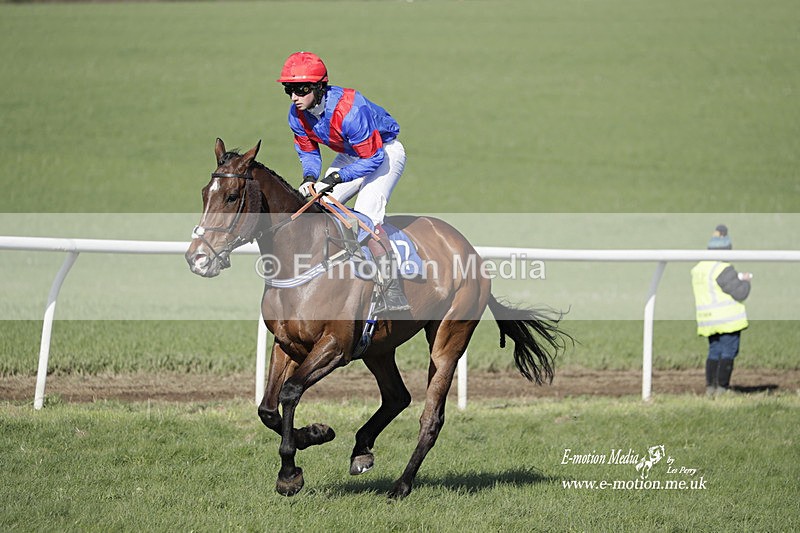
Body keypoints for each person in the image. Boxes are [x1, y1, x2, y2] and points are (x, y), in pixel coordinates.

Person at [276, 51, 410, 312]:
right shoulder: (297, 114)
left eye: (300, 89)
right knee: (320, 205)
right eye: (289, 90)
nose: (294, 97)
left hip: (383, 153)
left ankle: (393, 289)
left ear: (318, 87)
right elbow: (308, 151)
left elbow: (373, 159)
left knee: (366, 216)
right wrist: (311, 177)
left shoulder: (350, 111)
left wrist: (336, 177)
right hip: (351, 154)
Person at [690, 225, 753, 396]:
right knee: (728, 352)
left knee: (714, 352)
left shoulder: (700, 268)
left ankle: (710, 388)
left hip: (708, 320)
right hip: (728, 320)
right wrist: (746, 281)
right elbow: (740, 293)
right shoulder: (723, 268)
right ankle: (723, 389)